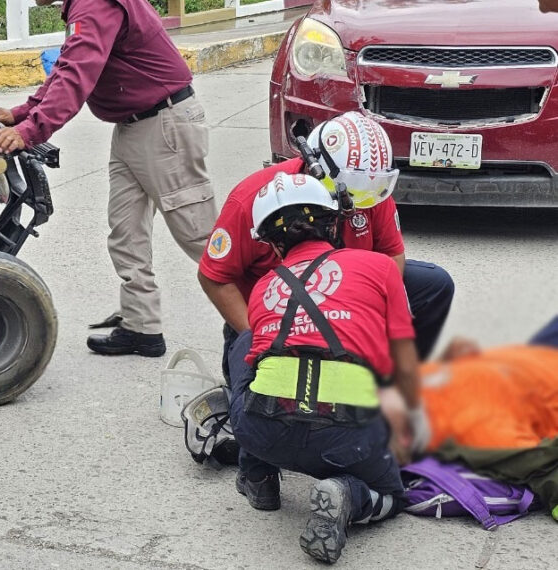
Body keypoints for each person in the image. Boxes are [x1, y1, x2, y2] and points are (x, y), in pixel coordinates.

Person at [0, 0, 215, 357]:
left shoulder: (94, 3)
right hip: (134, 125)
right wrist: (22, 114)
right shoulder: (84, 6)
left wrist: (31, 130)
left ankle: (275, 318)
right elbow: (66, 68)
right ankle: (143, 327)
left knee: (199, 235)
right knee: (127, 234)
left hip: (164, 124)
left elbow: (78, 75)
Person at [226, 172, 424, 564]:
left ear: (275, 245)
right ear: (334, 223)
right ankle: (348, 494)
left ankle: (259, 477)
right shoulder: (379, 268)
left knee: (246, 342)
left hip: (265, 432)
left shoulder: (263, 286)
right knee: (393, 496)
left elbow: (254, 366)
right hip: (348, 438)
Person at [199, 112, 454, 378]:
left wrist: (372, 323)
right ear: (312, 169)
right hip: (277, 308)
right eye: (348, 200)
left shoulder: (367, 191)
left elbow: (392, 254)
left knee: (434, 285)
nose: (354, 209)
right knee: (257, 397)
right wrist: (258, 339)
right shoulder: (251, 200)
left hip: (350, 298)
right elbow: (214, 277)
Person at [381, 316, 558, 519]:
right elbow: (539, 462)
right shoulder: (475, 430)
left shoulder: (412, 387)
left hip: (534, 357)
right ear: (402, 438)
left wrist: (450, 362)